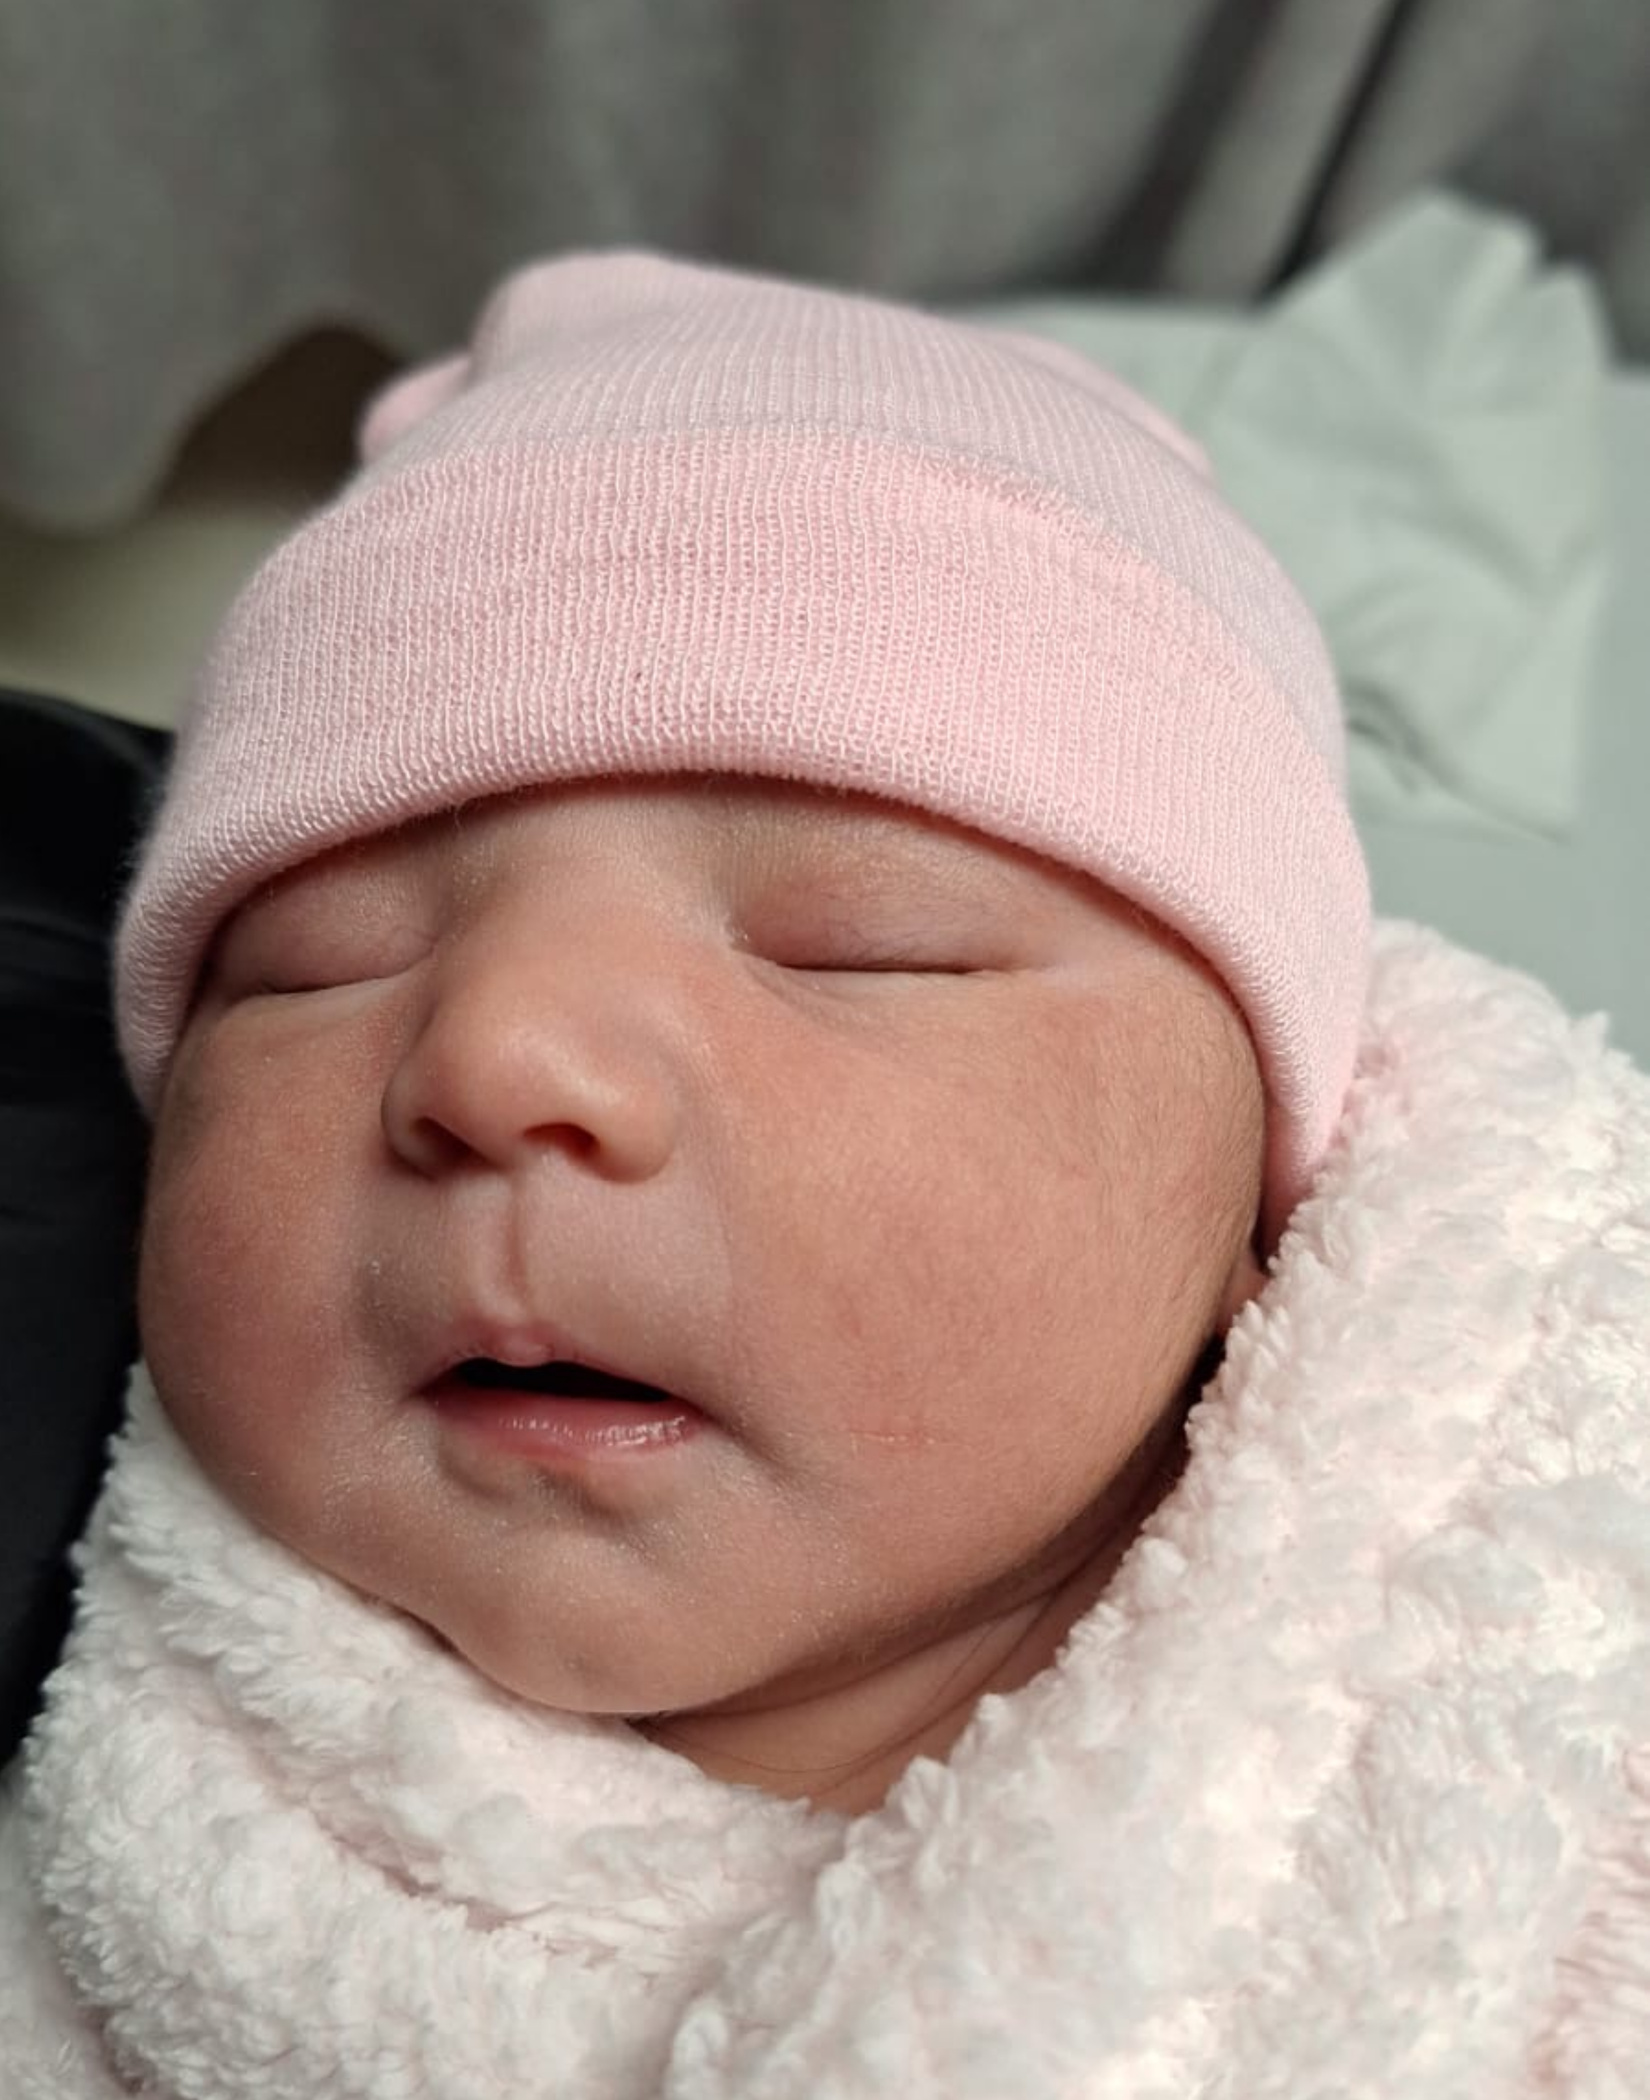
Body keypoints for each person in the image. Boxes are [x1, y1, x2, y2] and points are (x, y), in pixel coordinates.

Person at [2, 253, 1646, 2097]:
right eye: (321, 963)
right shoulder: (102, 1779)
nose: (495, 1054)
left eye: (858, 942)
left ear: (1266, 1223)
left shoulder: (1549, 1721)